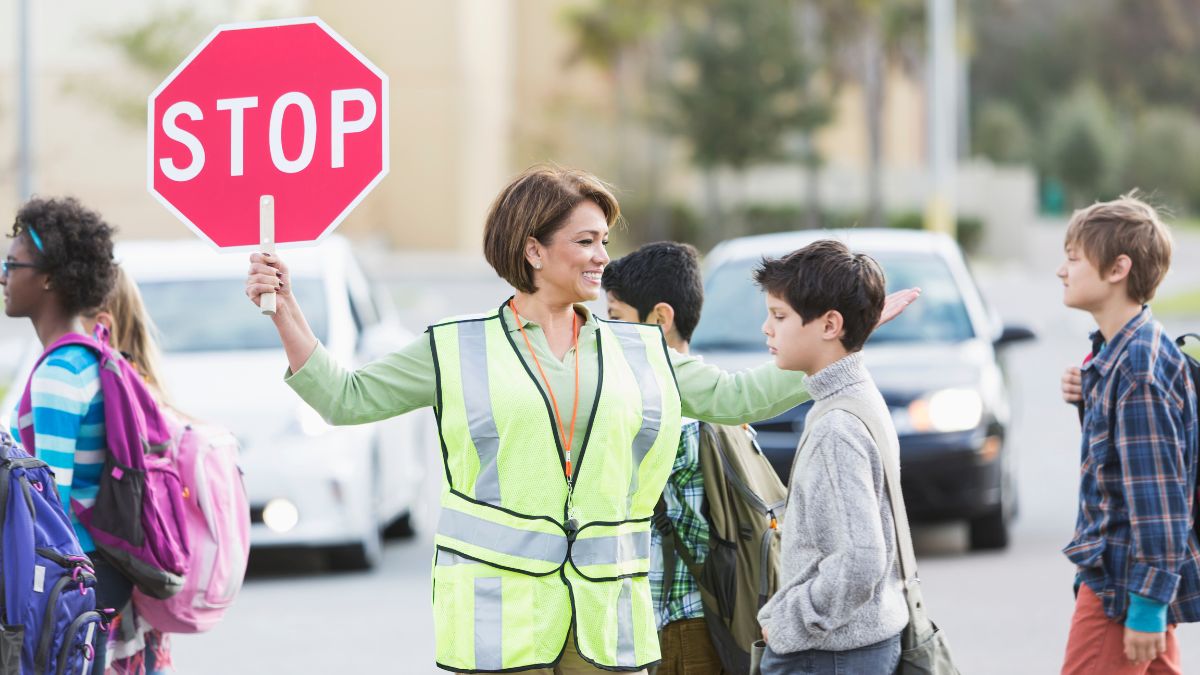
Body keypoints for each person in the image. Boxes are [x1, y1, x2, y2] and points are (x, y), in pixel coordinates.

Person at [244, 165, 919, 674]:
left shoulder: (639, 351)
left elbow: (740, 397)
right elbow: (346, 396)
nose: (602, 255)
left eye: (604, 240)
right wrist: (286, 312)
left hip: (609, 629)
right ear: (533, 250)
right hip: (499, 631)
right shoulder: (456, 348)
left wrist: (843, 341)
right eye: (586, 240)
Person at [1056, 195, 1200, 675]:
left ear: (1118, 268)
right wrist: (1087, 394)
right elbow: (1118, 464)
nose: (1062, 270)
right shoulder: (1123, 350)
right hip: (1127, 581)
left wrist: (1147, 608)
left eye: (1074, 258)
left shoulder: (1137, 369)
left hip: (1122, 588)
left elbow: (1159, 500)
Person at [753, 240, 909, 675]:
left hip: (830, 653)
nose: (767, 328)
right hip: (857, 643)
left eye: (779, 316)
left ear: (829, 325)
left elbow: (861, 558)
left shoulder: (836, 427)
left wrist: (788, 623)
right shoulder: (857, 396)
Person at [2, 196, 121, 674]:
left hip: (65, 586)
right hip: (98, 575)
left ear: (48, 277)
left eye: (12, 264)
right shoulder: (89, 354)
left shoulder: (57, 376)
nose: (4, 277)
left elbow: (49, 512)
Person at [601, 242, 725, 674]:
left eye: (616, 317)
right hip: (699, 611)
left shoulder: (670, 412)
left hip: (678, 619)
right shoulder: (709, 395)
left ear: (660, 318)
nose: (608, 330)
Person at [81, 267, 173, 675]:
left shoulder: (110, 389)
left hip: (116, 573)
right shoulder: (145, 385)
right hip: (141, 573)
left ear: (100, 320)